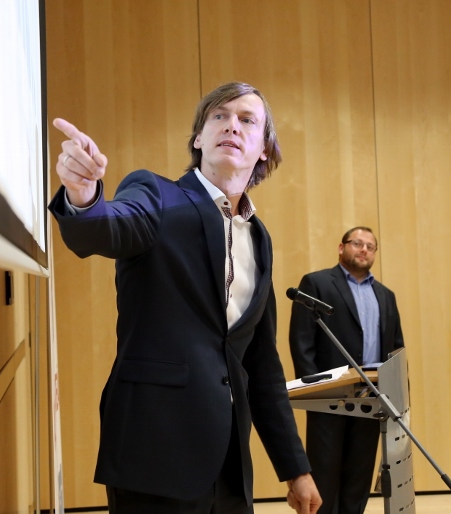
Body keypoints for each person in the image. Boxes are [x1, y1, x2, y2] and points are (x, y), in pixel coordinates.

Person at [48, 82, 321, 514]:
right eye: (219, 116)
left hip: (229, 462)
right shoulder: (156, 195)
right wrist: (83, 195)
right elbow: (110, 225)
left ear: (264, 149)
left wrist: (295, 468)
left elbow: (261, 363)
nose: (232, 125)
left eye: (247, 120)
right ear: (198, 139)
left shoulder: (259, 238)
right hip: (154, 449)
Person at [288, 227, 405, 514]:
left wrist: (399, 396)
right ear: (342, 248)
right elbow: (302, 340)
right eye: (357, 243)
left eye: (370, 246)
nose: (364, 249)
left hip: (371, 398)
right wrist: (313, 389)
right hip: (330, 398)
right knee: (324, 477)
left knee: (358, 478)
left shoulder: (386, 295)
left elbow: (396, 348)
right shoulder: (317, 283)